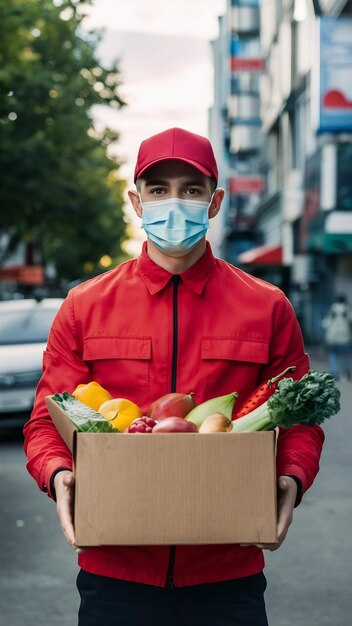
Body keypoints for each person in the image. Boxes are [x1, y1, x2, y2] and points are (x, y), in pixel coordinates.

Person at [24, 127, 324, 626]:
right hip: (115, 572)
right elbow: (44, 422)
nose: (174, 202)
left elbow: (300, 422)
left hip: (228, 573)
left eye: (191, 189)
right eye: (159, 189)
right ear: (136, 201)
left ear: (214, 201)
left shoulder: (266, 307)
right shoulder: (85, 306)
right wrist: (59, 476)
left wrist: (291, 480)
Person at [322, 294, 352, 381]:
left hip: (332, 337)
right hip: (345, 338)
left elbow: (326, 323)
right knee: (345, 355)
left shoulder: (332, 309)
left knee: (333, 355)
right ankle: (346, 372)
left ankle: (335, 373)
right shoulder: (347, 309)